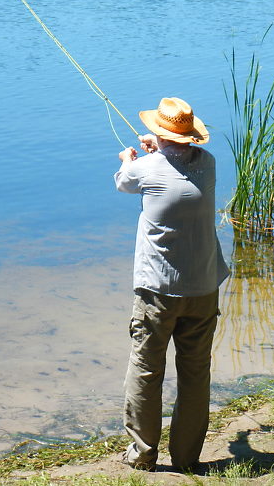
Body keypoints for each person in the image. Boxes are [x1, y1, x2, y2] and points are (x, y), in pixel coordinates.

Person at [114, 96, 230, 472]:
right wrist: (159, 148)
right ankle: (186, 458)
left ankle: (144, 454)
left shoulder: (144, 170)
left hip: (157, 293)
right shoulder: (208, 165)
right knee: (195, 373)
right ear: (191, 137)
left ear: (160, 135)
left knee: (146, 369)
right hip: (203, 287)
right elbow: (176, 165)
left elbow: (124, 181)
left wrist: (131, 158)